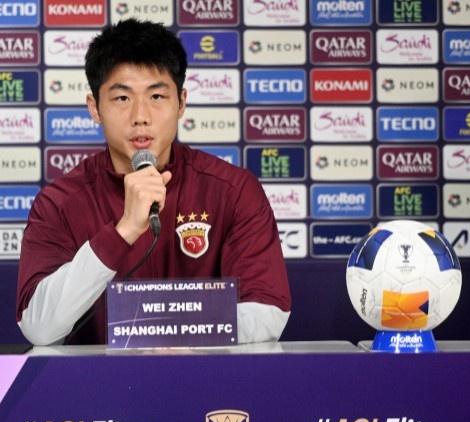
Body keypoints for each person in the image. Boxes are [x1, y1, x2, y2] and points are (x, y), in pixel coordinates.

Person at [16, 18, 291, 345]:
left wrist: (169, 327)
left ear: (181, 103)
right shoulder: (59, 203)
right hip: (99, 378)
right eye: (122, 98)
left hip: (204, 375)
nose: (141, 116)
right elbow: (38, 327)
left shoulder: (233, 191)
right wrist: (123, 232)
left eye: (157, 96)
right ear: (95, 108)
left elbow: (267, 310)